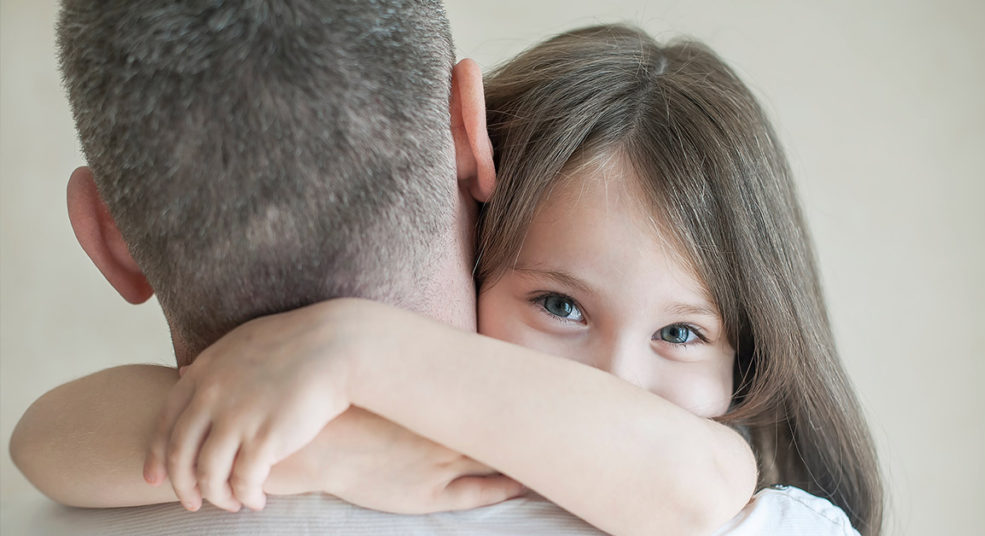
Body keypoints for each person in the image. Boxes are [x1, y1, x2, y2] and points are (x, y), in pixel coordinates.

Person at [10, 2, 879, 535]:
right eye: (560, 307)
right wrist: (330, 450)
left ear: (748, 367)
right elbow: (44, 441)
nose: (616, 380)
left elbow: (693, 484)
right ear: (474, 205)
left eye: (682, 333)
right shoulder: (413, 427)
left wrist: (354, 343)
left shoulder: (714, 492)